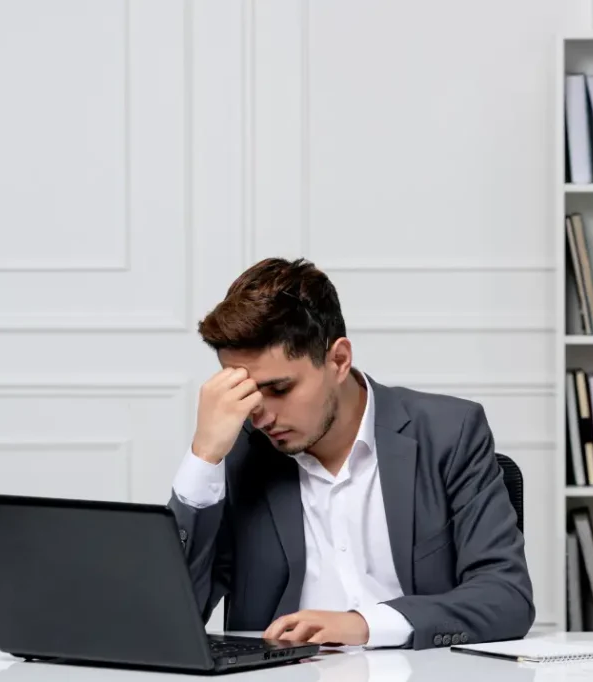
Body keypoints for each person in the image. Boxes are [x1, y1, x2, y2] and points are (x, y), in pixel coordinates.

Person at [167, 257, 534, 650]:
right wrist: (203, 457)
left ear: (339, 360)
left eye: (279, 389)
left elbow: (506, 596)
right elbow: (171, 618)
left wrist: (365, 625)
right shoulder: (238, 450)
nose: (262, 415)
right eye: (248, 392)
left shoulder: (448, 433)